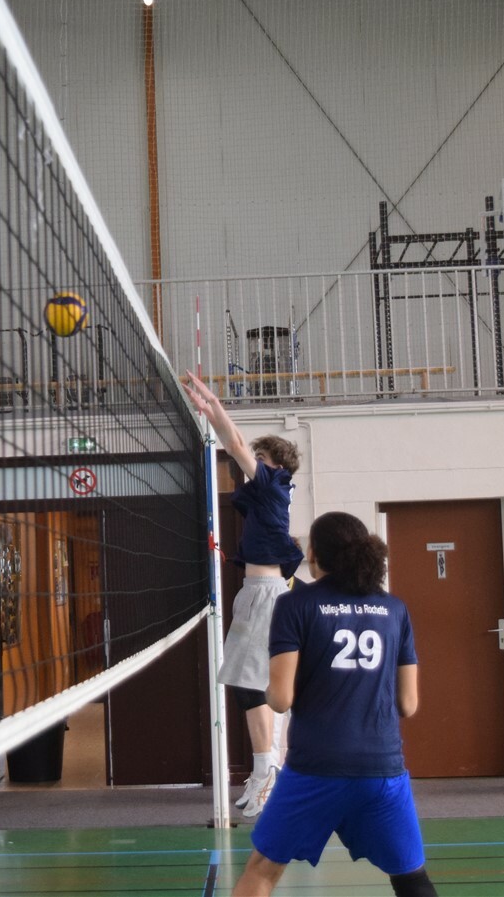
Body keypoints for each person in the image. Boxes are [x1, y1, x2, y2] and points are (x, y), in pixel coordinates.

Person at [232, 511, 436, 897]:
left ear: (314, 554)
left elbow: (280, 700)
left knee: (262, 871)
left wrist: (265, 684)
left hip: (315, 768)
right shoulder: (395, 609)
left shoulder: (295, 605)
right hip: (381, 770)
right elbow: (408, 704)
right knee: (412, 878)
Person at [181, 372, 304, 819]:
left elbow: (234, 443)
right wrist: (210, 417)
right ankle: (271, 768)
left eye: (260, 458)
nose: (252, 462)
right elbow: (234, 449)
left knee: (250, 686)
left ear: (275, 465)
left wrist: (211, 405)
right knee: (258, 684)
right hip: (260, 593)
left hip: (265, 595)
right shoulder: (266, 497)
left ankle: (265, 770)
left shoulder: (272, 485)